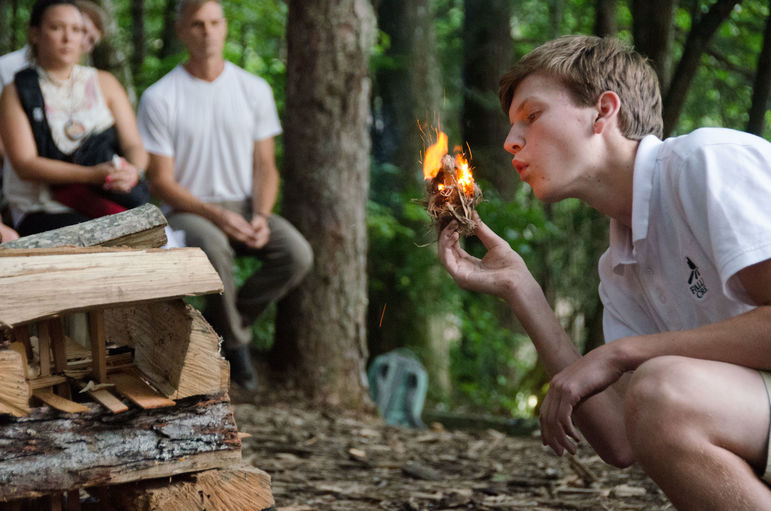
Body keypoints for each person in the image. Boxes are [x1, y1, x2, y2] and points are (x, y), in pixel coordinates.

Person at [438, 35, 771, 509]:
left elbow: (660, 393)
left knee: (660, 387)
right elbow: (620, 438)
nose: (512, 140)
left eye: (532, 115)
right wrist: (521, 289)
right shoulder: (619, 266)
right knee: (658, 394)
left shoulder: (706, 162)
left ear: (603, 111)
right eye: (512, 125)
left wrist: (621, 353)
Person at [137, 0, 313, 391]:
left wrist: (261, 216)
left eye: (215, 23)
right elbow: (160, 182)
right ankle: (236, 348)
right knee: (215, 249)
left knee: (296, 253)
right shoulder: (160, 96)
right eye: (197, 24)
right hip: (186, 209)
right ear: (181, 31)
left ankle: (221, 328)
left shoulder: (253, 89)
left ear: (226, 27)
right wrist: (217, 216)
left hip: (245, 206)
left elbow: (265, 166)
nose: (208, 32)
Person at [0, 0, 148, 236]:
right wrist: (92, 175)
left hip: (108, 199)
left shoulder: (106, 82)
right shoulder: (17, 90)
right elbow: (25, 164)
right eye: (56, 28)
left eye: (77, 29)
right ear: (35, 34)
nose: (68, 38)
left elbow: (134, 145)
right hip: (44, 208)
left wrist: (132, 171)